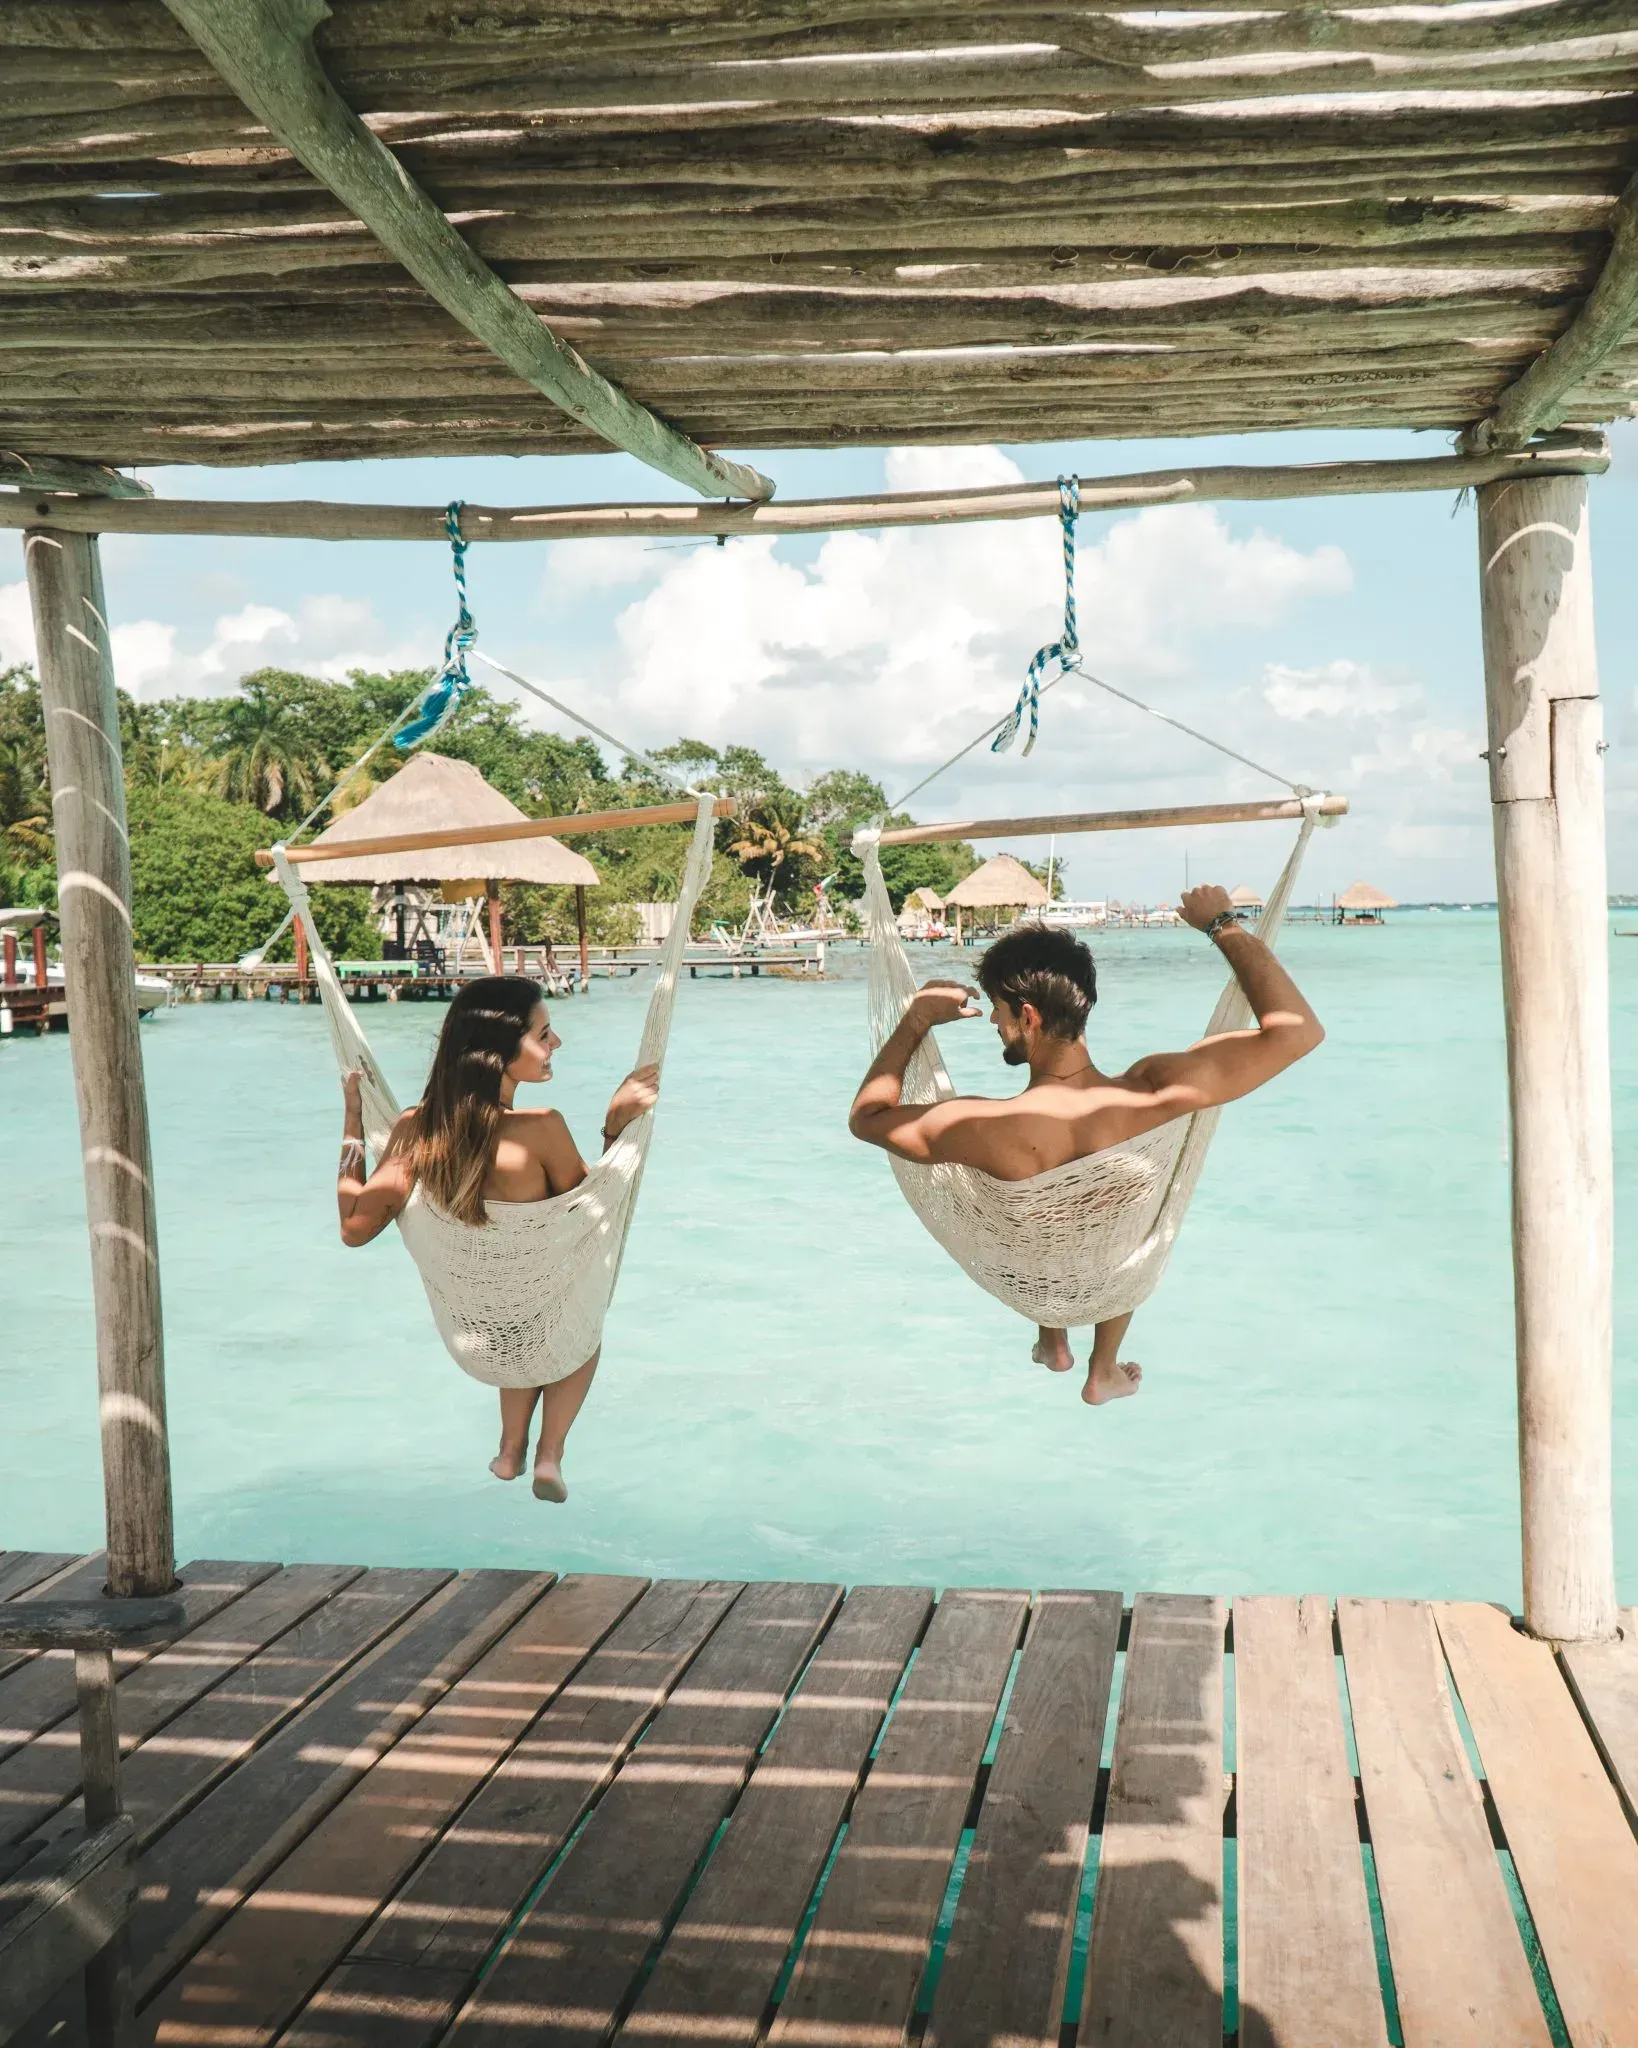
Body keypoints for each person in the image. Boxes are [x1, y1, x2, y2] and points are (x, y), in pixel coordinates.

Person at [847, 884, 1323, 1405]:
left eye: (1000, 1011)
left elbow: (868, 1117)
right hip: (1117, 1274)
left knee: (1038, 1220)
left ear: (1028, 1017)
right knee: (1118, 1221)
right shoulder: (1156, 1091)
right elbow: (1296, 1033)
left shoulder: (980, 1126)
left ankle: (1053, 1341)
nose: (993, 1022)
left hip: (1037, 1280)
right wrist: (1222, 925)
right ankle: (1103, 1368)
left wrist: (918, 1018)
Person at [334, 975, 658, 1501]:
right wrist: (615, 1127)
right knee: (578, 1326)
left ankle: (510, 1450)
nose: (557, 1044)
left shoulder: (416, 1131)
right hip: (533, 1317)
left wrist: (353, 1119)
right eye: (544, 1034)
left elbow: (353, 1229)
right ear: (501, 1051)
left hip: (479, 1340)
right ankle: (548, 1454)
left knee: (516, 1314)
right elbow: (591, 1219)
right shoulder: (542, 1128)